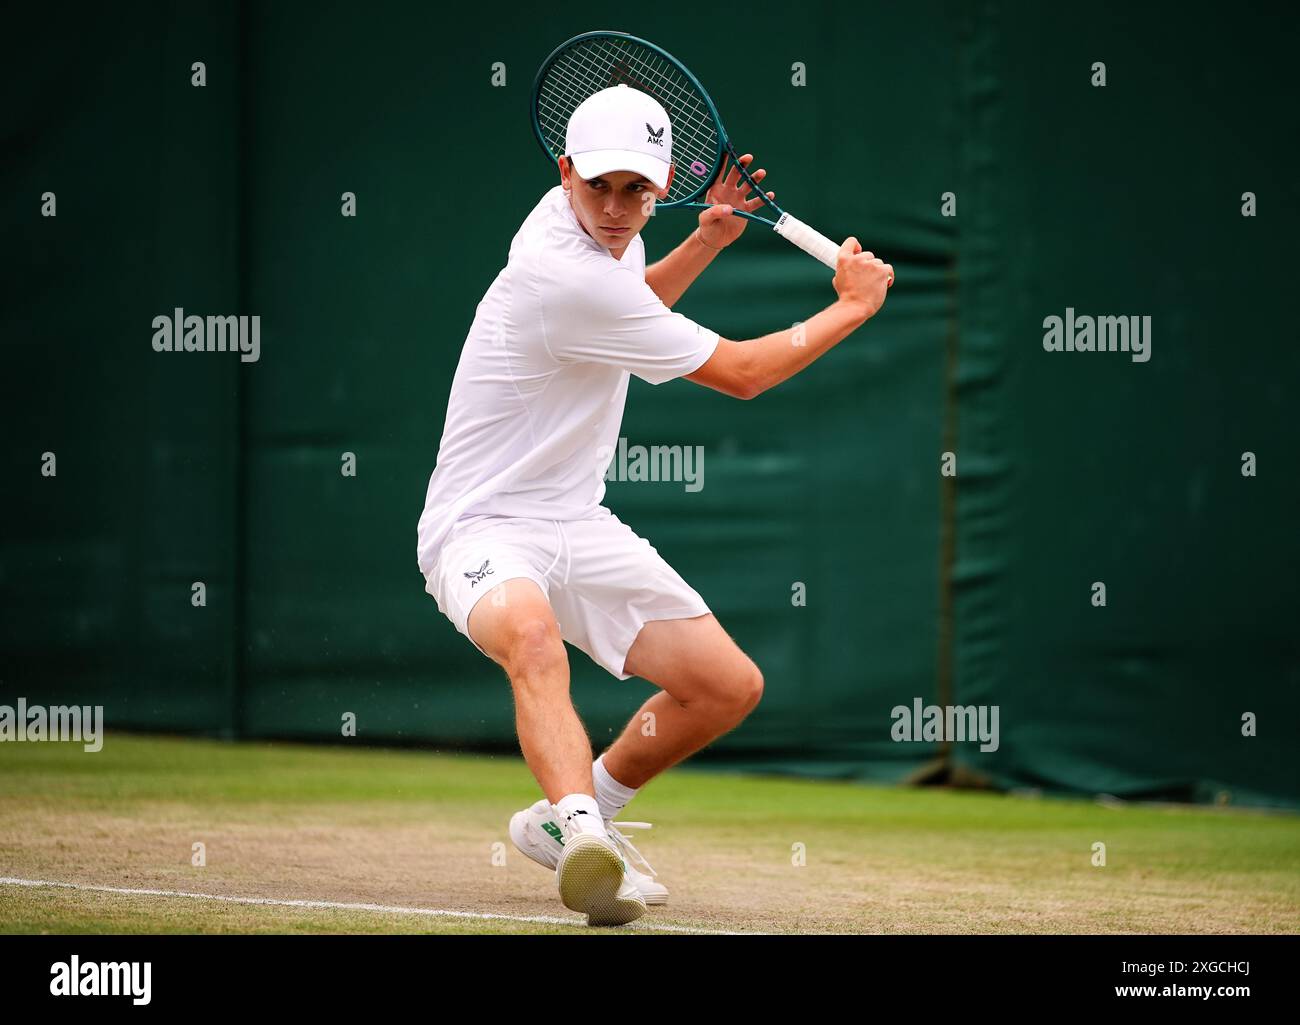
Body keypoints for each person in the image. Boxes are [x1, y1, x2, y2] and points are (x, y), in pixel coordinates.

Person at [416, 85, 893, 926]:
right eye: (597, 185)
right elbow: (744, 374)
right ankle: (582, 831)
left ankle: (567, 821)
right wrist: (852, 305)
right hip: (479, 525)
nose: (614, 207)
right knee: (530, 637)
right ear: (565, 172)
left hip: (574, 518)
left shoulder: (607, 247)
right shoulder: (564, 272)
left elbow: (635, 311)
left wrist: (706, 238)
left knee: (726, 687)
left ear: (663, 184)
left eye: (636, 190)